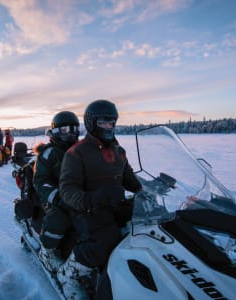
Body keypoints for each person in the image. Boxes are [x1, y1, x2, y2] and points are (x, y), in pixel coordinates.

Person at [57, 99, 142, 299]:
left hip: (112, 204)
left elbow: (129, 178)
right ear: (91, 123)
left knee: (143, 228)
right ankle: (70, 275)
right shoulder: (77, 152)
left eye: (112, 122)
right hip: (85, 208)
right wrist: (93, 198)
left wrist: (147, 188)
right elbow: (67, 190)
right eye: (104, 122)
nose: (109, 127)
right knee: (106, 239)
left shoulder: (119, 151)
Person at [33, 111, 80, 273]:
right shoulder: (48, 153)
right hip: (53, 197)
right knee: (59, 219)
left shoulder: (80, 150)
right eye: (66, 129)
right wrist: (58, 197)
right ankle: (48, 252)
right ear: (56, 131)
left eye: (74, 129)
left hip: (78, 195)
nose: (71, 133)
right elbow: (40, 181)